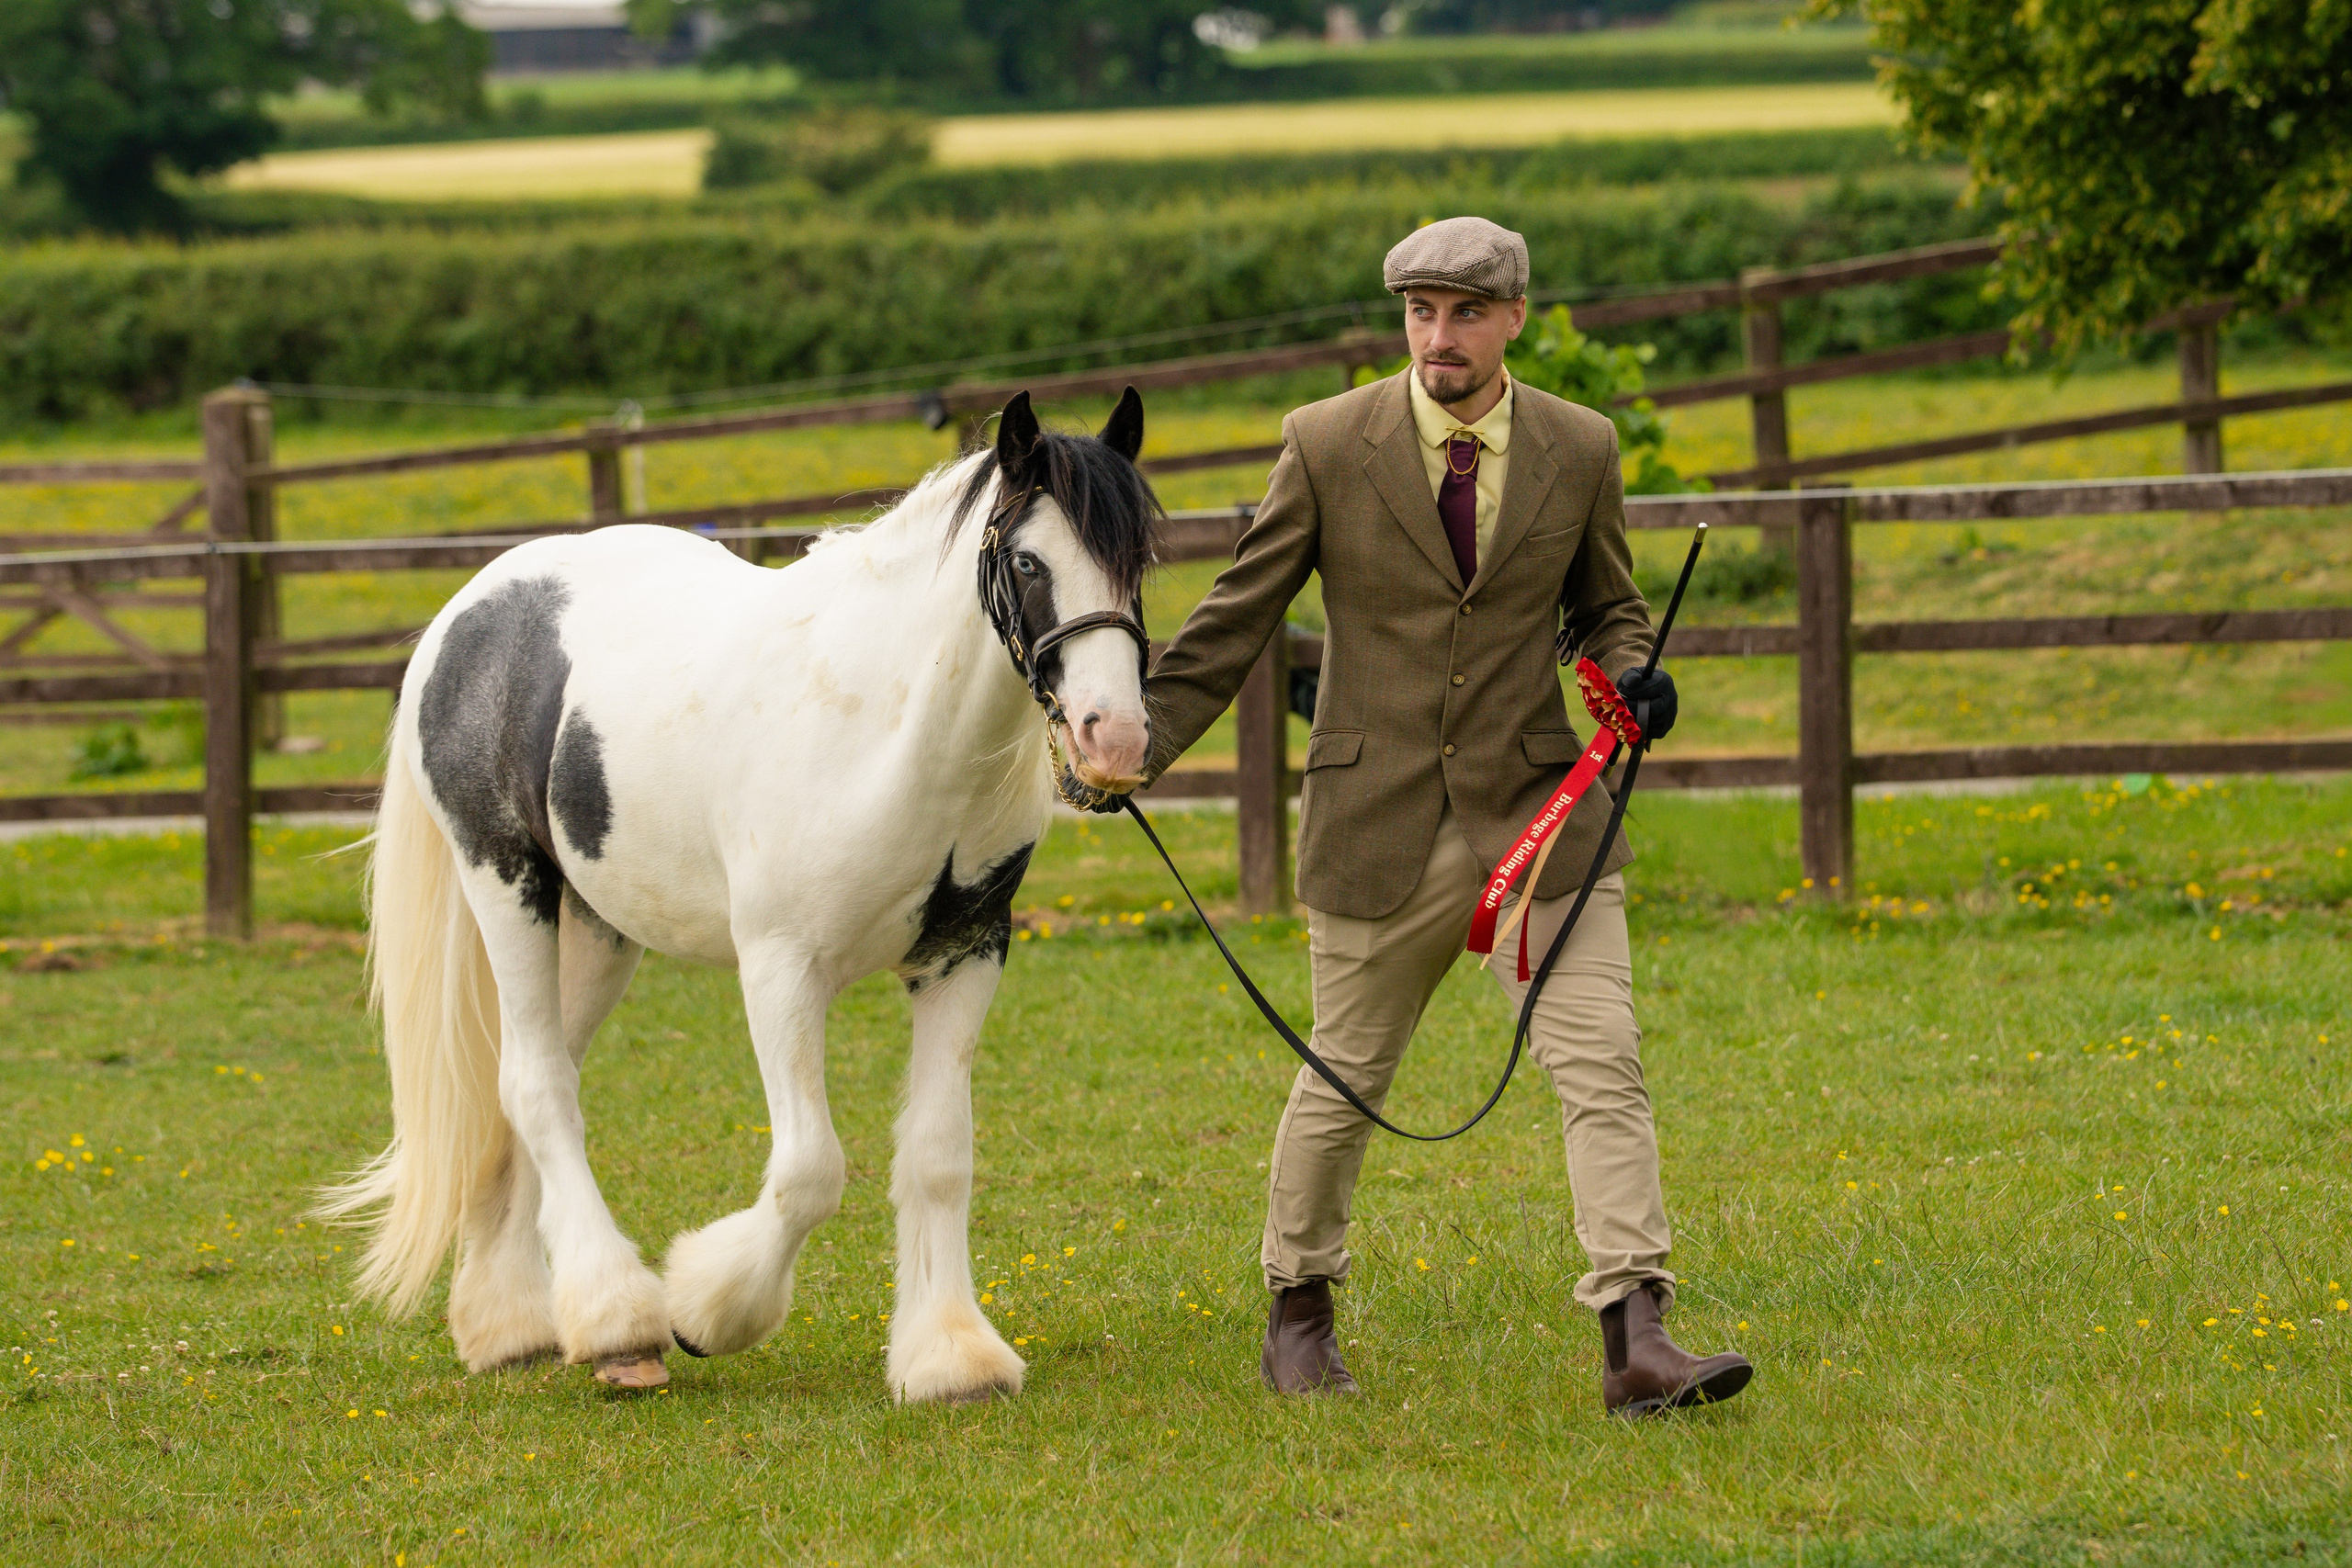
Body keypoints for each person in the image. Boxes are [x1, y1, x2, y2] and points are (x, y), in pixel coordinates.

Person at [1139, 217, 1751, 1416]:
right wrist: (1139, 744)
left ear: (1514, 316)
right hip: (1377, 820)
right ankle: (1298, 1312)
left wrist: (1636, 676)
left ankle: (1639, 1336)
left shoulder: (1580, 445)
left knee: (1601, 1064)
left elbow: (1610, 607)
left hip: (1540, 812)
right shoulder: (1325, 443)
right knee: (1344, 1075)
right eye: (1421, 312)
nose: (1439, 337)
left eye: (1465, 313)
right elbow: (1237, 613)